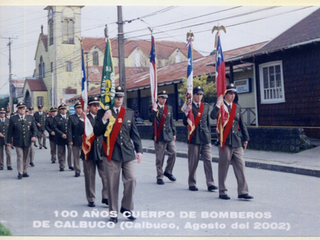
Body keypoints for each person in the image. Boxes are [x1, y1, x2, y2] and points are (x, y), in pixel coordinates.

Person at [94, 86, 143, 224]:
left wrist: (139, 150)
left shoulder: (128, 113)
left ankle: (126, 208)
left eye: (121, 97)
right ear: (112, 98)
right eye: (116, 97)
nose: (119, 99)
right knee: (112, 184)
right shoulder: (103, 112)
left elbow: (135, 133)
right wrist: (104, 119)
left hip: (127, 153)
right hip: (111, 153)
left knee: (131, 179)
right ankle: (113, 213)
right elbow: (97, 132)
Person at [210, 83, 253, 200]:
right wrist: (218, 105)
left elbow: (241, 124)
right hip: (225, 141)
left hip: (237, 141)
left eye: (234, 93)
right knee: (223, 168)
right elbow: (212, 116)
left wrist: (246, 138)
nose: (232, 95)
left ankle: (243, 192)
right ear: (225, 94)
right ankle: (222, 191)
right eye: (230, 93)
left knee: (241, 166)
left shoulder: (236, 107)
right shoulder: (220, 106)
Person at [183, 86, 218, 192]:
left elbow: (207, 122)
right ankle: (192, 183)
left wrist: (209, 135)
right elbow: (185, 123)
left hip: (205, 138)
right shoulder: (188, 106)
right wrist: (186, 112)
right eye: (197, 94)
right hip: (194, 138)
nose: (199, 96)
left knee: (208, 161)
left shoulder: (206, 106)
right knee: (193, 162)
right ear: (193, 95)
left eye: (201, 94)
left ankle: (210, 183)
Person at [79, 96, 108, 207]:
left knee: (106, 175)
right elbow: (78, 131)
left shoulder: (103, 117)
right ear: (89, 107)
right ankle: (91, 198)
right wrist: (82, 118)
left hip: (101, 150)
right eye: (94, 105)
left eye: (97, 105)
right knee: (90, 176)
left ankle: (106, 197)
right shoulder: (85, 118)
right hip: (89, 150)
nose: (96, 107)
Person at [148, 90, 177, 185]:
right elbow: (151, 119)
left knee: (173, 153)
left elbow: (171, 120)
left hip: (168, 134)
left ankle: (168, 171)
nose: (164, 100)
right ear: (158, 98)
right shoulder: (153, 108)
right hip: (159, 135)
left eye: (165, 98)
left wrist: (174, 132)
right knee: (160, 158)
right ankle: (159, 176)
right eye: (162, 98)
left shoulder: (169, 108)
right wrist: (155, 109)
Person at [6, 102, 37, 179]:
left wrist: (34, 136)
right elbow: (10, 131)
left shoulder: (30, 118)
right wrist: (9, 141)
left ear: (25, 109)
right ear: (18, 110)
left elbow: (34, 129)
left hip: (27, 141)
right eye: (20, 109)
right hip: (18, 141)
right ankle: (20, 172)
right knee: (20, 156)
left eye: (23, 109)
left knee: (26, 157)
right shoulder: (13, 119)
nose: (22, 110)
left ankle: (25, 171)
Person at [53, 104, 74, 171]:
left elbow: (72, 127)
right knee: (61, 152)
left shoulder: (69, 117)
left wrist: (69, 135)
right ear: (60, 110)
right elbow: (55, 128)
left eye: (65, 109)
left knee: (70, 151)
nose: (64, 110)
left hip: (69, 137)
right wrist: (61, 134)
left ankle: (71, 165)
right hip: (60, 137)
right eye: (62, 109)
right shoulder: (56, 118)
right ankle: (62, 165)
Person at [67, 102, 83, 177]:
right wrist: (70, 140)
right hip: (75, 139)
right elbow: (69, 130)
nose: (79, 110)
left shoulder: (86, 117)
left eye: (80, 108)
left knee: (86, 157)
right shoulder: (72, 117)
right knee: (76, 156)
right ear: (75, 109)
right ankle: (77, 171)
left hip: (85, 140)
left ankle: (87, 170)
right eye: (77, 108)